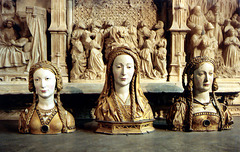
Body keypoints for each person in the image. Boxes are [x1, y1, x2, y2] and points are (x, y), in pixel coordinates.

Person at [94, 46, 154, 134]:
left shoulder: (143, 106)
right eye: (118, 67)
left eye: (129, 67)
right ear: (111, 69)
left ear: (135, 70)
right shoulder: (104, 106)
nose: (124, 72)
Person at [167, 56, 233, 131]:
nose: (207, 79)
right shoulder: (181, 109)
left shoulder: (221, 109)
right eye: (201, 74)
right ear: (191, 77)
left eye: (210, 74)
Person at [18, 61, 76, 134]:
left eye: (47, 79)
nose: (43, 85)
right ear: (32, 83)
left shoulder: (67, 118)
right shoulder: (25, 117)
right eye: (37, 80)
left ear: (56, 82)